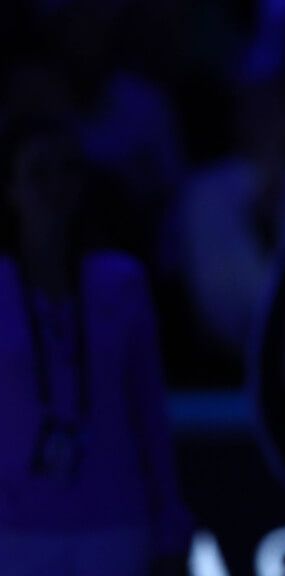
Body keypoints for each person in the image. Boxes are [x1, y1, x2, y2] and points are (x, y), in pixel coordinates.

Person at [0, 119, 191, 575]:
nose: (55, 187)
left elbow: (149, 414)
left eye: (67, 170)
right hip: (15, 526)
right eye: (38, 173)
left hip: (117, 520)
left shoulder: (121, 280)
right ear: (10, 188)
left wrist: (171, 518)